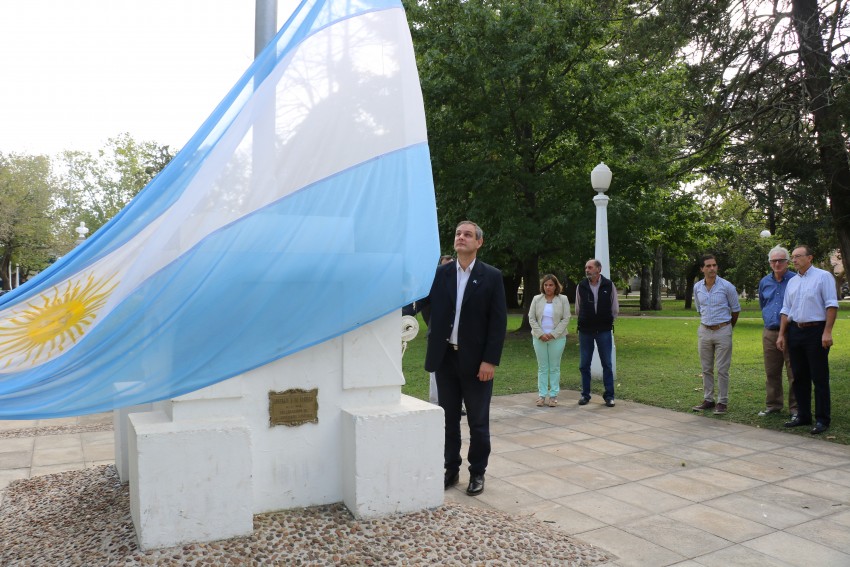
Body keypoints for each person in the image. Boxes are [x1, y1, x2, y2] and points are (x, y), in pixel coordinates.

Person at [420, 221, 507, 496]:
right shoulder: (440, 274)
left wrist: (490, 361)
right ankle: (451, 468)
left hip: (477, 363)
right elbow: (420, 303)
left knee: (478, 423)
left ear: (479, 242)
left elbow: (498, 322)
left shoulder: (491, 276)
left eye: (468, 234)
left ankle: (477, 472)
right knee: (448, 420)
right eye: (458, 233)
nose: (461, 237)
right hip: (445, 359)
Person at [777, 245, 839, 435]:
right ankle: (803, 415)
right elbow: (786, 309)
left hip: (816, 331)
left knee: (819, 377)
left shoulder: (823, 277)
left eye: (798, 256)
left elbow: (831, 305)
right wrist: (781, 334)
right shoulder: (793, 282)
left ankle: (822, 419)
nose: (794, 260)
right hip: (796, 332)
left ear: (810, 257)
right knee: (799, 376)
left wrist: (827, 332)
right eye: (793, 257)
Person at [692, 254, 741, 415]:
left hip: (723, 330)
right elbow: (700, 309)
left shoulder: (727, 287)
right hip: (704, 331)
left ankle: (722, 401)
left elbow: (735, 309)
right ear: (702, 269)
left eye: (714, 265)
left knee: (722, 369)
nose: (712, 268)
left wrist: (727, 327)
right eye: (708, 266)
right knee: (706, 368)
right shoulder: (697, 287)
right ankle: (708, 399)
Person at [757, 246, 797, 418]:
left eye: (781, 260)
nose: (777, 263)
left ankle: (796, 408)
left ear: (787, 262)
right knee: (771, 371)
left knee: (794, 371)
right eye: (774, 260)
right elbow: (763, 304)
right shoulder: (764, 282)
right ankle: (773, 404)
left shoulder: (795, 280)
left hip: (792, 331)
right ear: (769, 263)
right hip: (770, 332)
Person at [576, 259, 618, 407]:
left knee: (606, 363)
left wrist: (606, 321)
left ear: (598, 269)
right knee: (584, 364)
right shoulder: (581, 286)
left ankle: (609, 396)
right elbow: (578, 308)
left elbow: (614, 308)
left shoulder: (608, 284)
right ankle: (585, 395)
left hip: (603, 330)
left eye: (590, 267)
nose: (587, 270)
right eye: (586, 267)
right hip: (586, 331)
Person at [528, 274, 571, 407]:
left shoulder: (563, 299)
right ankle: (541, 396)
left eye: (551, 285)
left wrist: (553, 334)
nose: (548, 287)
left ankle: (553, 396)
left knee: (554, 367)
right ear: (543, 286)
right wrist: (540, 334)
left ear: (556, 286)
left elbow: (566, 318)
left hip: (557, 338)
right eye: (546, 285)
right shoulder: (537, 299)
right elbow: (531, 318)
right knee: (542, 367)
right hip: (539, 338)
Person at [420, 255, 455, 405]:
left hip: (458, 338)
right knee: (436, 372)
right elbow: (426, 310)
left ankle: (456, 403)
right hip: (438, 335)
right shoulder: (434, 283)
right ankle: (435, 402)